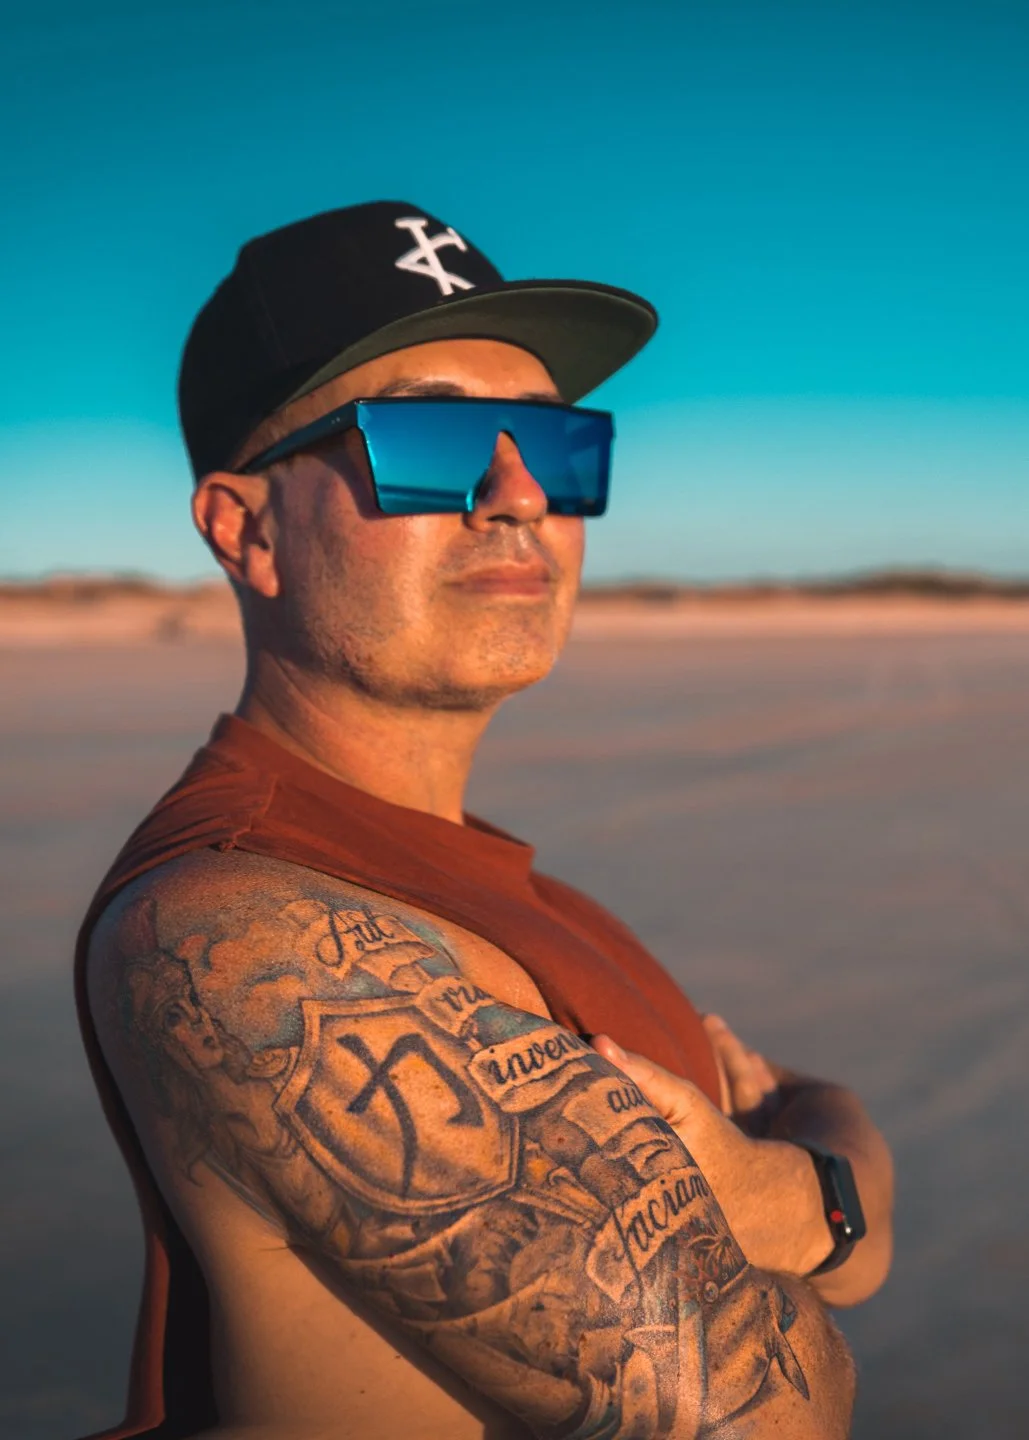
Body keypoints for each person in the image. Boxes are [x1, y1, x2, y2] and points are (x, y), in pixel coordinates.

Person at [78, 201, 892, 1440]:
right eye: (432, 437)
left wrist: (796, 1185)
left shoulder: (518, 897)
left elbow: (850, 1258)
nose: (518, 494)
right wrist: (824, 1168)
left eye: (554, 445)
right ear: (247, 530)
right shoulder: (237, 933)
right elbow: (769, 1412)